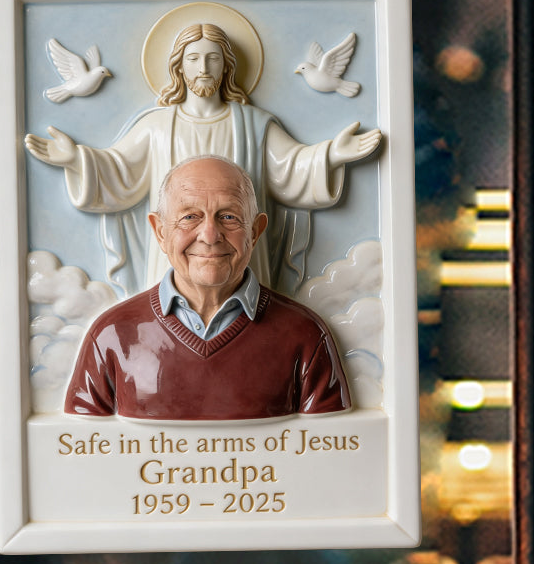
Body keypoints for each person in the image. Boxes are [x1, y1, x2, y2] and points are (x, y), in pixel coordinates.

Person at [25, 22, 381, 296]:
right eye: (194, 59)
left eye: (213, 58)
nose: (204, 67)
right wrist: (77, 160)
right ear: (179, 67)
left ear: (228, 66)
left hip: (238, 253)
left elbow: (289, 169)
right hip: (176, 254)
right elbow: (119, 171)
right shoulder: (158, 125)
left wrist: (332, 155)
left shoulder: (252, 123)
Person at [64, 156, 352, 421]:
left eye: (228, 216)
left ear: (255, 231)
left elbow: (331, 454)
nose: (210, 236)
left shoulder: (305, 334)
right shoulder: (111, 335)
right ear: (160, 232)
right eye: (190, 217)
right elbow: (81, 453)